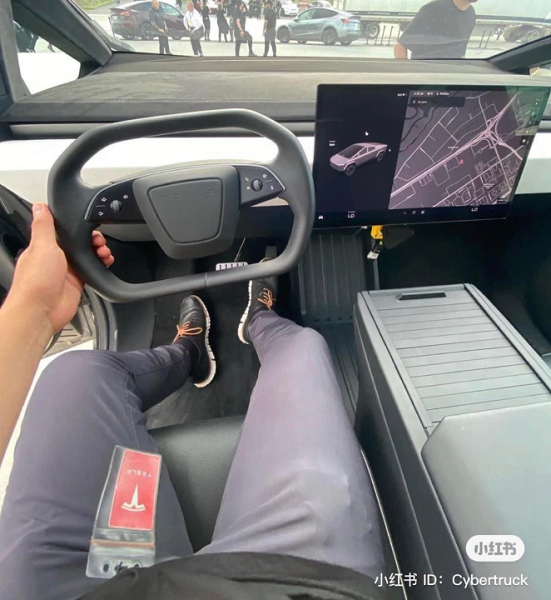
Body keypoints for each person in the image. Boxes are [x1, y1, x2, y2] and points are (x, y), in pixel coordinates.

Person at [0, 203, 384, 600]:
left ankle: (189, 353)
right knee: (303, 345)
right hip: (277, 587)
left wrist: (35, 309)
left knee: (78, 370)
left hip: (76, 588)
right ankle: (259, 320)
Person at [394, 0, 478, 60]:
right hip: (427, 74)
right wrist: (406, 76)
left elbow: (460, 53)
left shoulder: (471, 14)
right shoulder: (434, 9)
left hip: (451, 75)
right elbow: (400, 46)